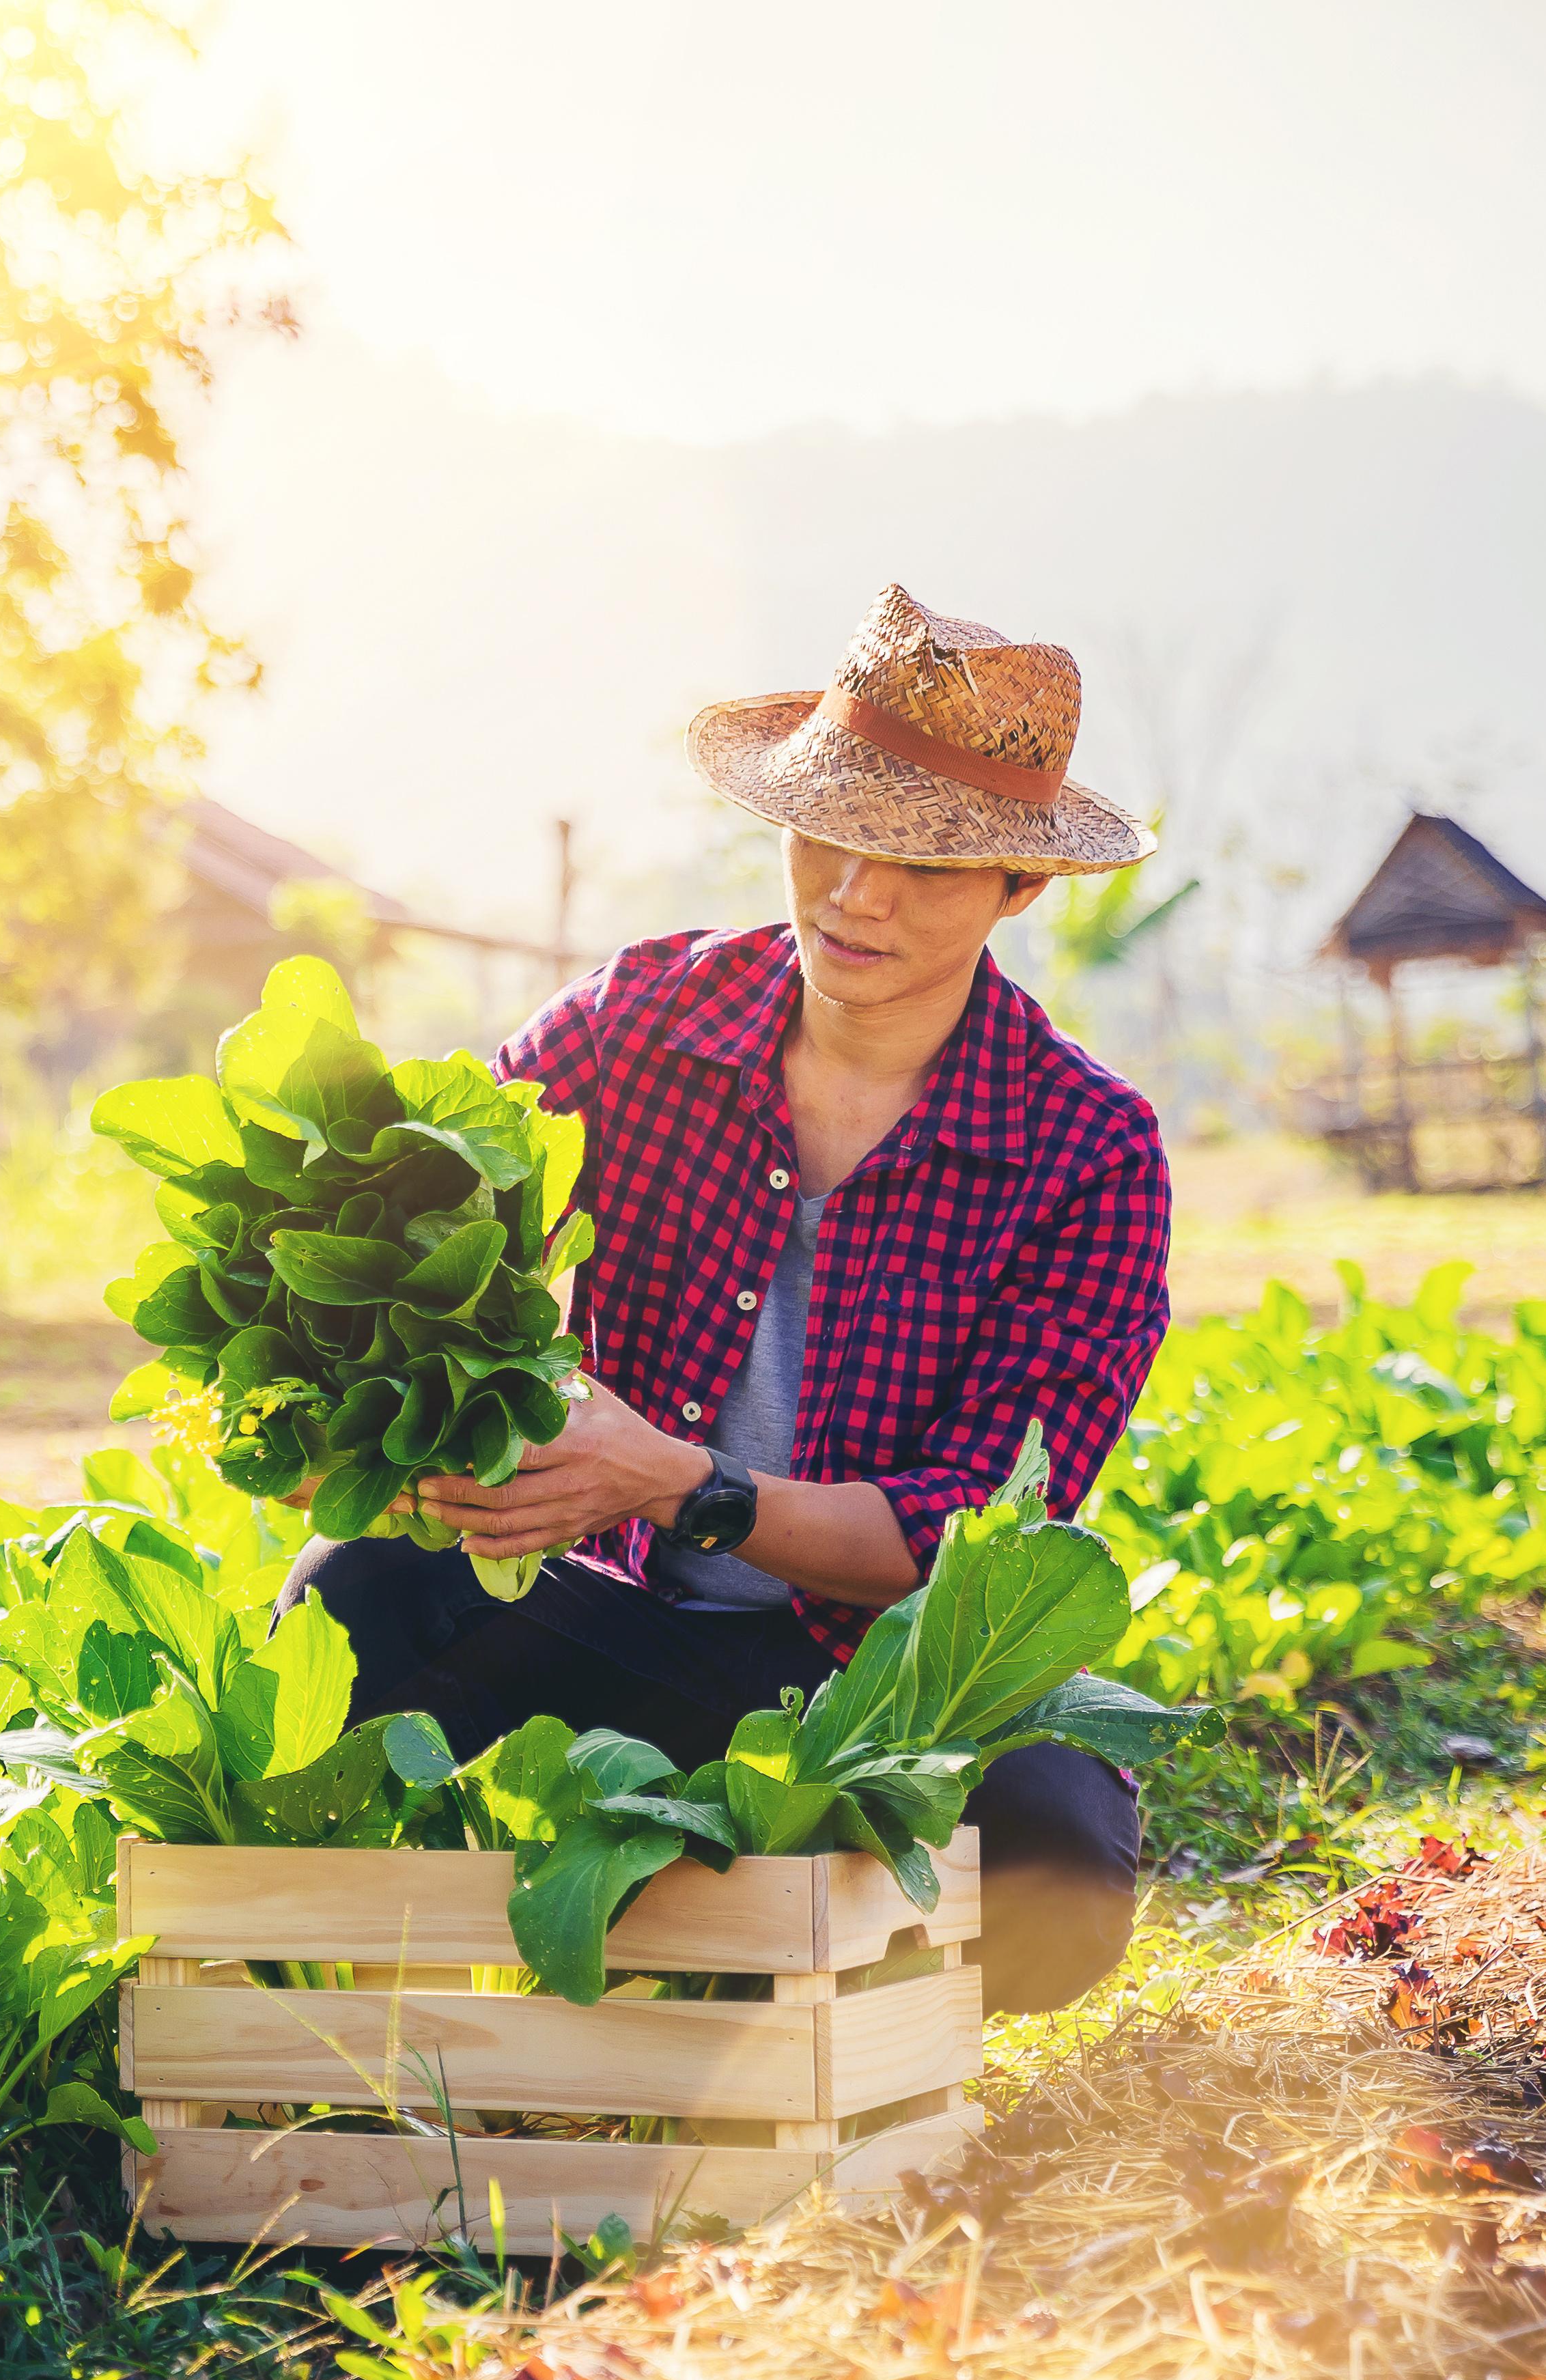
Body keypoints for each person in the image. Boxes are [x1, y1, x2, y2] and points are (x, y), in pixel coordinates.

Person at [292, 585, 1174, 2012]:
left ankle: (781, 1957)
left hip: (868, 1688)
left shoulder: (1084, 1147)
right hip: (633, 1642)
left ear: (1021, 885)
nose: (855, 892)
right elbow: (423, 1226)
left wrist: (684, 1483)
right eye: (830, 833)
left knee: (1056, 1865)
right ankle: (489, 1957)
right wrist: (383, 1411)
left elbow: (970, 1536)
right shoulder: (631, 1025)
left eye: (924, 863)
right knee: (358, 1594)